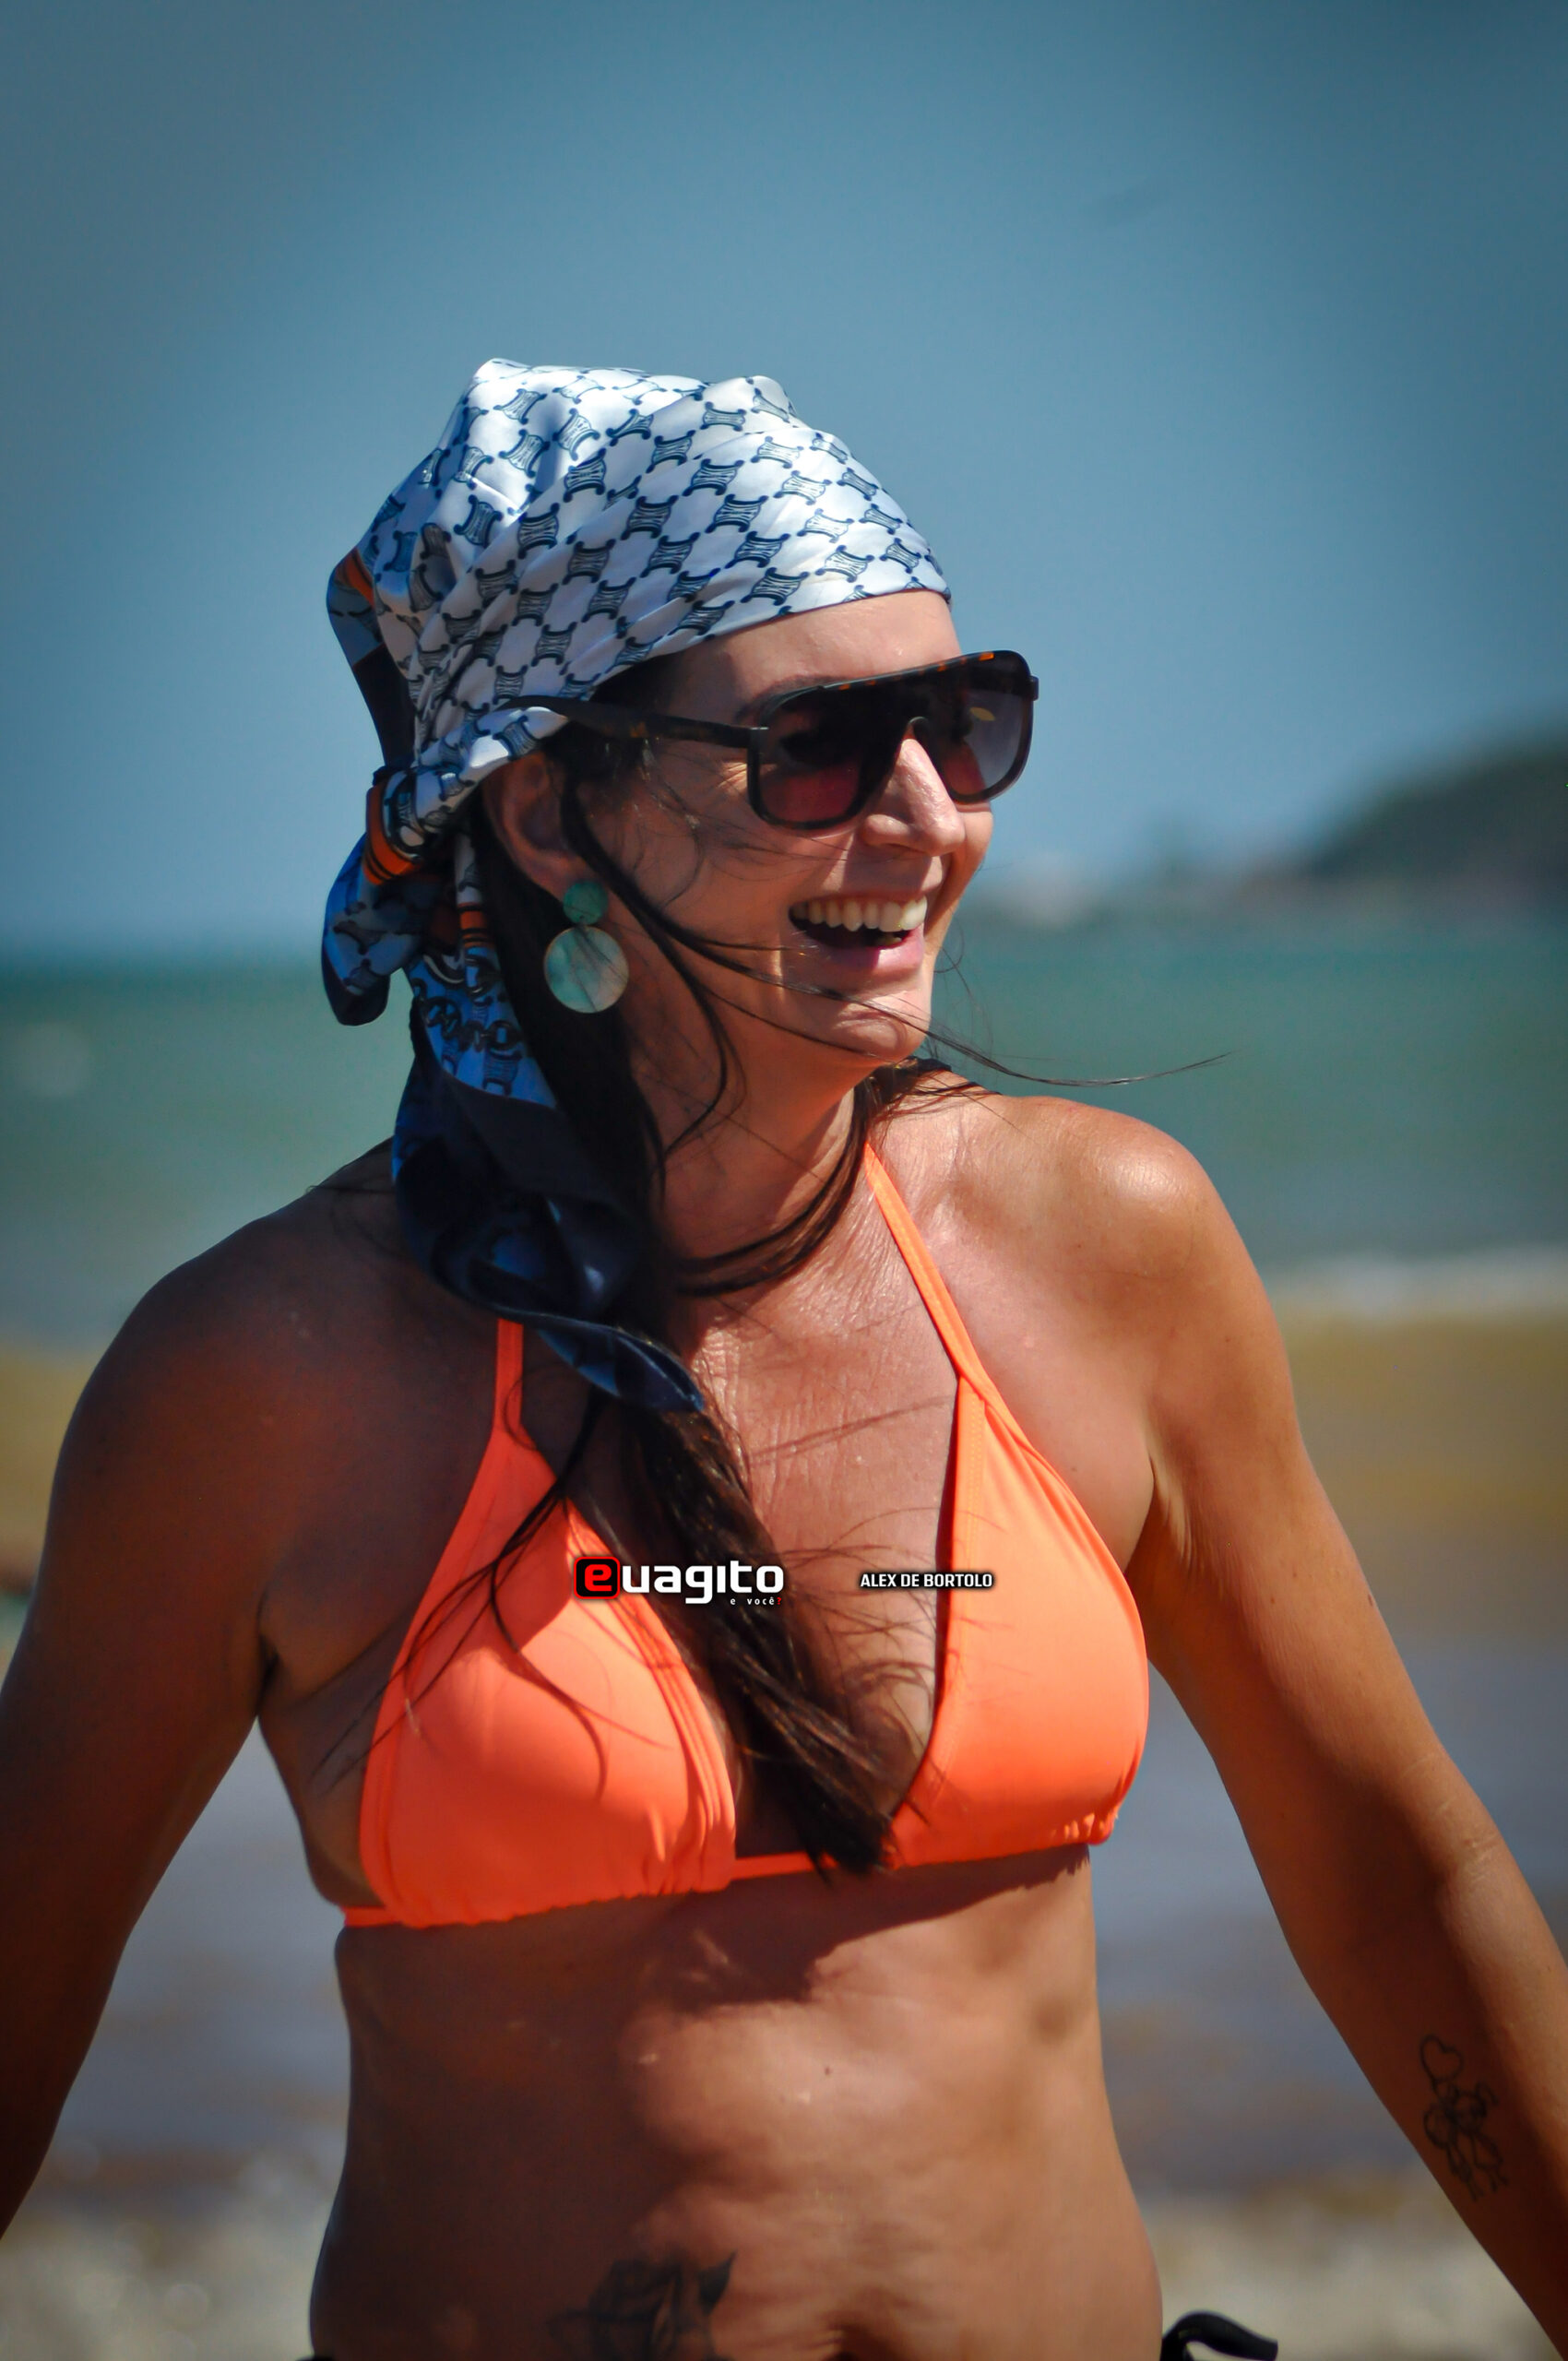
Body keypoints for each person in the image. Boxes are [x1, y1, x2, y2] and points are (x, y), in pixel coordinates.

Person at [1, 362, 1565, 2361]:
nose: (928, 817)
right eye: (811, 748)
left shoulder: (1107, 1250)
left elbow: (1397, 1884)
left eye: (961, 723)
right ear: (550, 809)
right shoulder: (268, 1376)